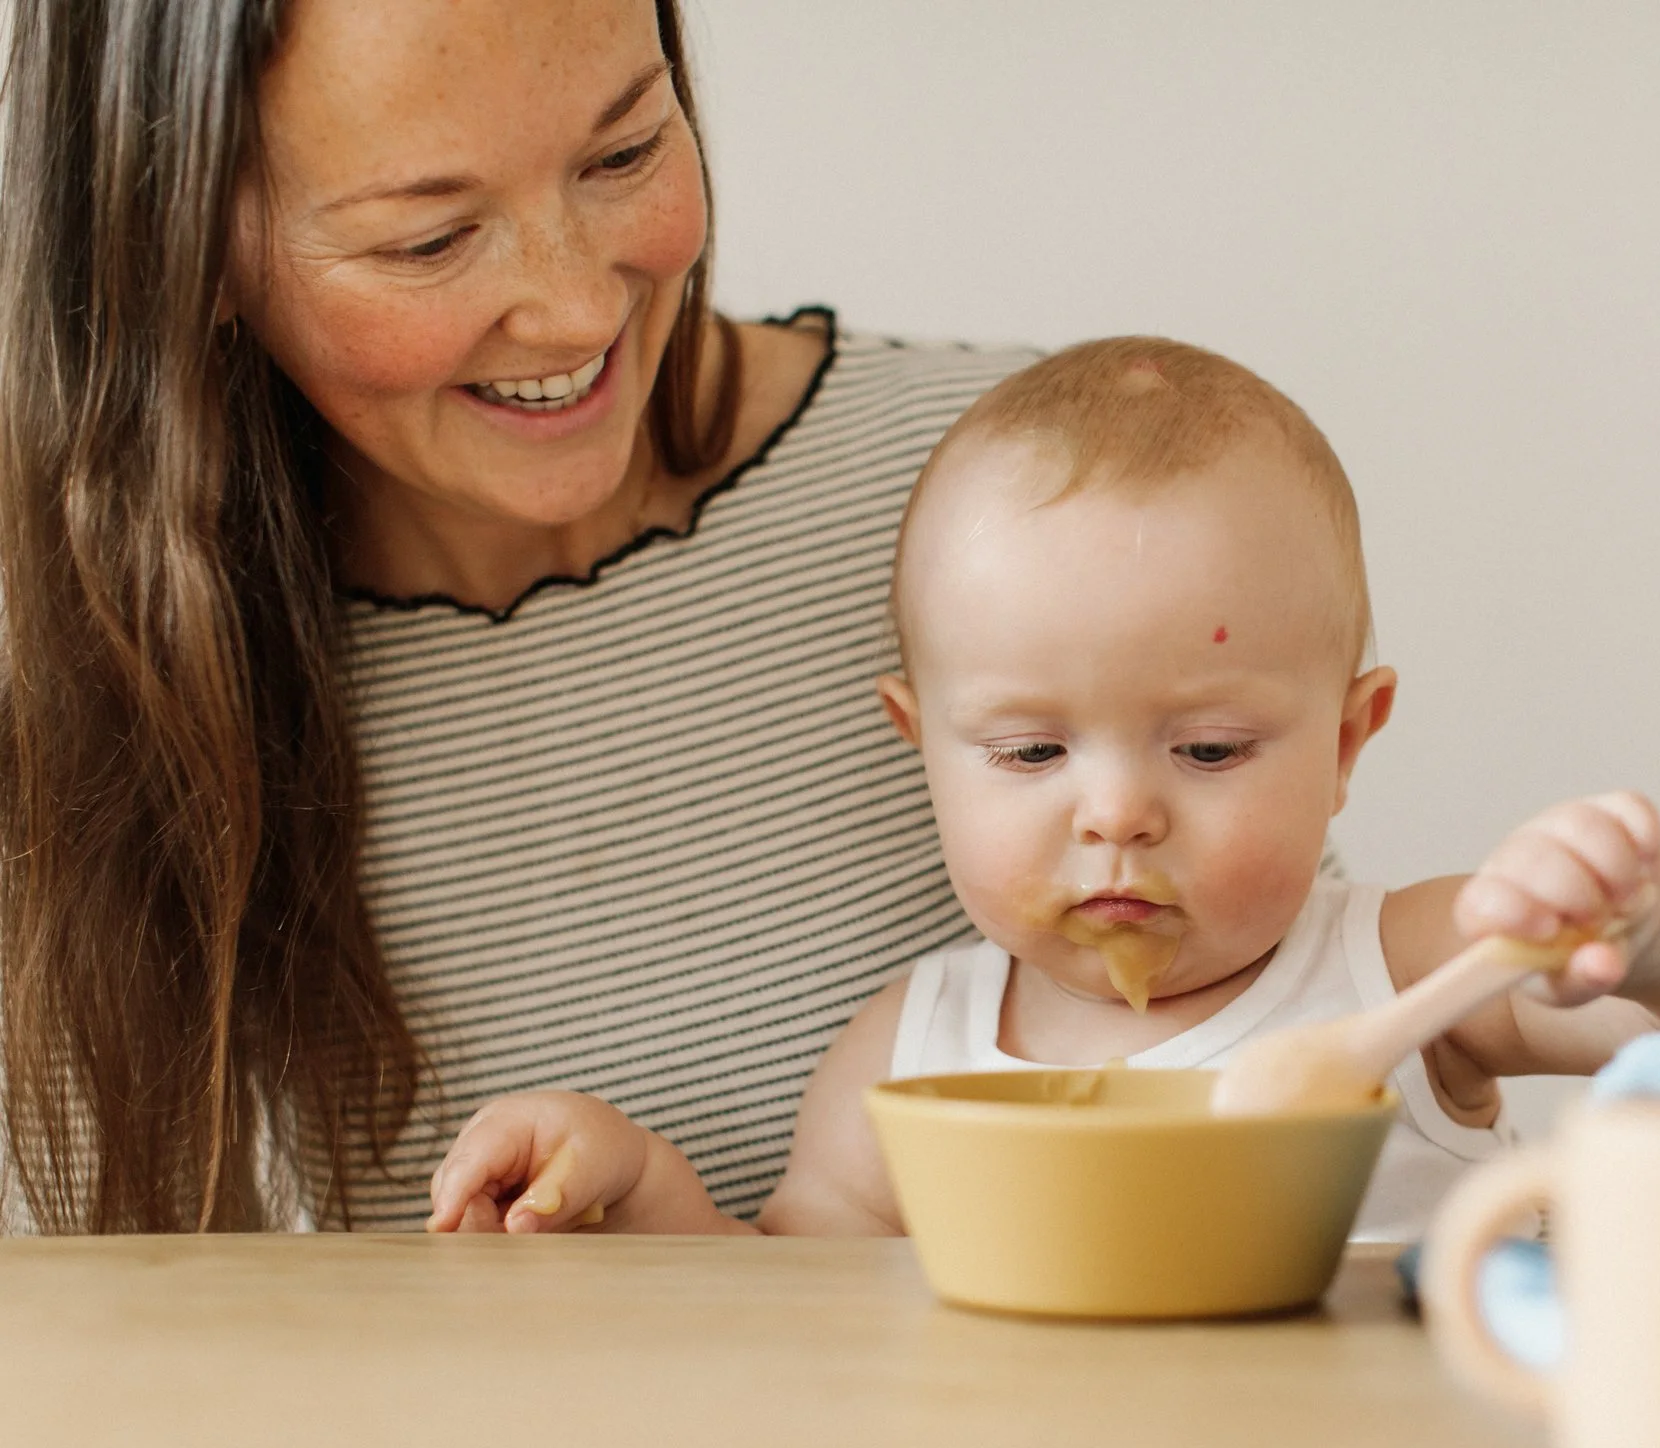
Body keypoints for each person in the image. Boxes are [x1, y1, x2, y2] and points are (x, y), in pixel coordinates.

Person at [0, 0, 1030, 1232]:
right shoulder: (60, 700)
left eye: (626, 152)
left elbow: (1284, 1092)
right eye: (430, 241)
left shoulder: (1038, 497)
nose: (577, 310)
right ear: (190, 251)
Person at [426, 340, 1660, 1240]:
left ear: (1349, 742)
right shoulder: (910, 1055)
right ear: (920, 744)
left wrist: (1647, 920)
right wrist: (637, 1182)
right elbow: (790, 1305)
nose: (1115, 812)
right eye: (1031, 752)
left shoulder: (1403, 972)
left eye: (1207, 750)